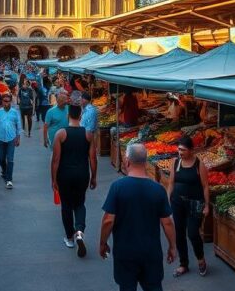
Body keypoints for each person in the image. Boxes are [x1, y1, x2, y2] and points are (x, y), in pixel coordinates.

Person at [100, 143, 177, 291]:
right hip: (151, 252)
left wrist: (103, 243)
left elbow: (108, 220)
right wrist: (172, 246)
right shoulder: (158, 189)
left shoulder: (117, 187)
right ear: (145, 161)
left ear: (127, 161)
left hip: (125, 252)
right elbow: (167, 222)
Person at [51, 103, 97, 256]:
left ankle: (70, 238)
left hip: (64, 175)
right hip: (82, 174)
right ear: (81, 116)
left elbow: (55, 160)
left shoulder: (61, 134)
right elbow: (93, 159)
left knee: (66, 206)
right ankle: (79, 232)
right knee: (79, 204)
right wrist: (94, 177)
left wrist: (53, 179)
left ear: (68, 115)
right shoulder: (88, 134)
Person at [164, 136, 210, 277]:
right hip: (177, 202)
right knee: (179, 233)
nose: (180, 152)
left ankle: (201, 260)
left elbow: (205, 186)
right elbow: (171, 183)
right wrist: (167, 201)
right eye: (179, 149)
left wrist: (207, 205)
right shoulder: (176, 162)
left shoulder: (198, 164)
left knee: (193, 233)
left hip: (195, 203)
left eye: (183, 150)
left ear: (191, 150)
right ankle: (183, 264)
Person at [0, 93, 22, 189]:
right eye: (4, 101)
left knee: (10, 159)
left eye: (8, 101)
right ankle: (4, 170)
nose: (6, 103)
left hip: (11, 138)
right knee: (1, 159)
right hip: (0, 138)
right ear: (2, 102)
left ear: (10, 102)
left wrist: (18, 137)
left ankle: (9, 179)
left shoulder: (15, 112)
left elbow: (18, 124)